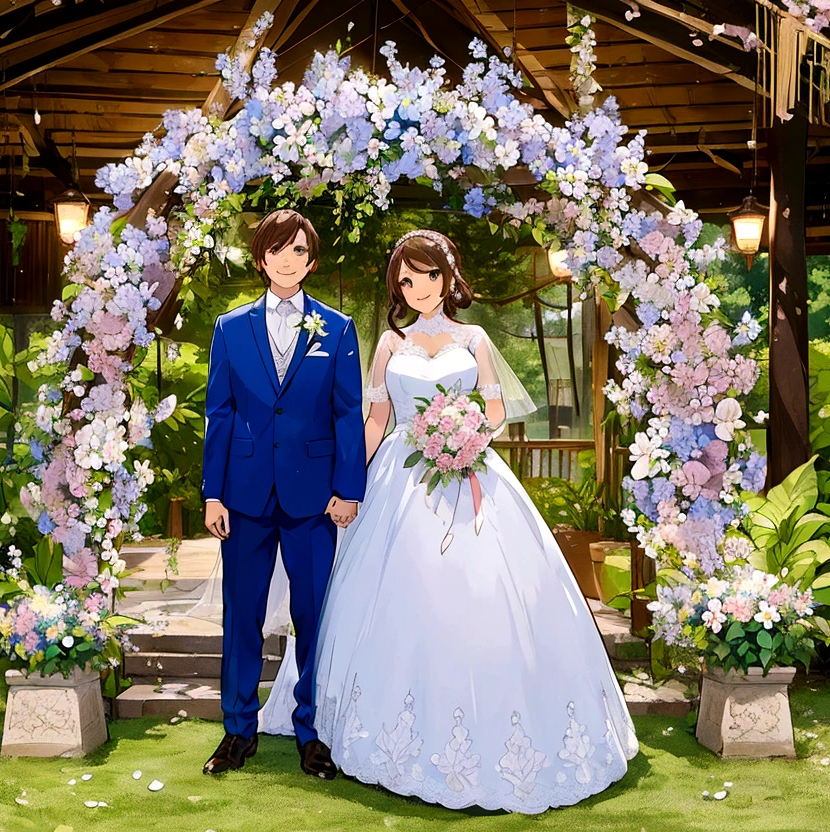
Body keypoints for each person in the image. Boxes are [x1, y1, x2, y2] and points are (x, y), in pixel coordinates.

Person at [267, 229, 638, 812]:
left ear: (448, 277)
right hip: (401, 475)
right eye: (407, 280)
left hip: (470, 471)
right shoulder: (389, 346)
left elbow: (493, 412)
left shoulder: (476, 338)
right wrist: (348, 486)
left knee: (489, 591)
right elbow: (374, 423)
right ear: (398, 287)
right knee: (397, 593)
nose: (419, 289)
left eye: (429, 276)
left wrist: (464, 441)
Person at [200, 209, 366, 779]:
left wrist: (348, 489)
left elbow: (349, 414)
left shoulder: (338, 328)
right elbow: (218, 413)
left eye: (299, 250)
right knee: (240, 615)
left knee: (313, 614)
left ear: (311, 260)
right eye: (278, 249)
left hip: (315, 498)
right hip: (243, 496)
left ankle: (312, 733)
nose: (288, 259)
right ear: (262, 257)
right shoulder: (230, 327)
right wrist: (212, 493)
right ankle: (236, 733)